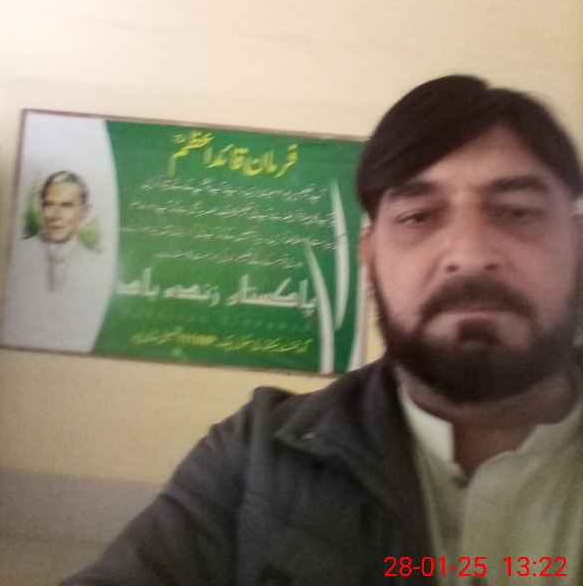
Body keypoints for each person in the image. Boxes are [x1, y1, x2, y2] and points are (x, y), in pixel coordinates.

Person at [62, 75, 583, 586]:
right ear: (369, 257)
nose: (469, 254)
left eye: (518, 213)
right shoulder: (256, 461)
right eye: (419, 217)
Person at [2, 170, 106, 352]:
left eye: (66, 205)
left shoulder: (97, 265)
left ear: (84, 212)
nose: (55, 215)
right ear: (41, 209)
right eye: (49, 204)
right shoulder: (14, 255)